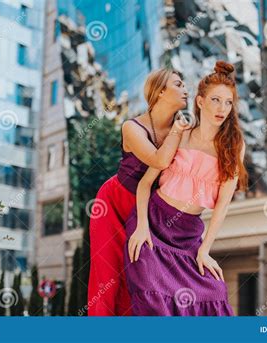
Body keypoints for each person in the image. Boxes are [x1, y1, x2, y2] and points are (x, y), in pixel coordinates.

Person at [124, 61, 248, 316]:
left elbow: (222, 206)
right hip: (153, 222)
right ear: (200, 102)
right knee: (152, 291)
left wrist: (205, 250)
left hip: (189, 235)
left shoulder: (235, 147)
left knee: (214, 293)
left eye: (228, 102)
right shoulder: (180, 134)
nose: (222, 108)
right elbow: (146, 184)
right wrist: (141, 227)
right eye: (215, 100)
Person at [87, 68, 191, 316]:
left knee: (142, 279)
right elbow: (159, 160)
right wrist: (179, 130)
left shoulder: (185, 129)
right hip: (114, 205)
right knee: (108, 278)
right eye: (179, 84)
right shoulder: (132, 127)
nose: (186, 88)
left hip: (150, 212)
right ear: (161, 91)